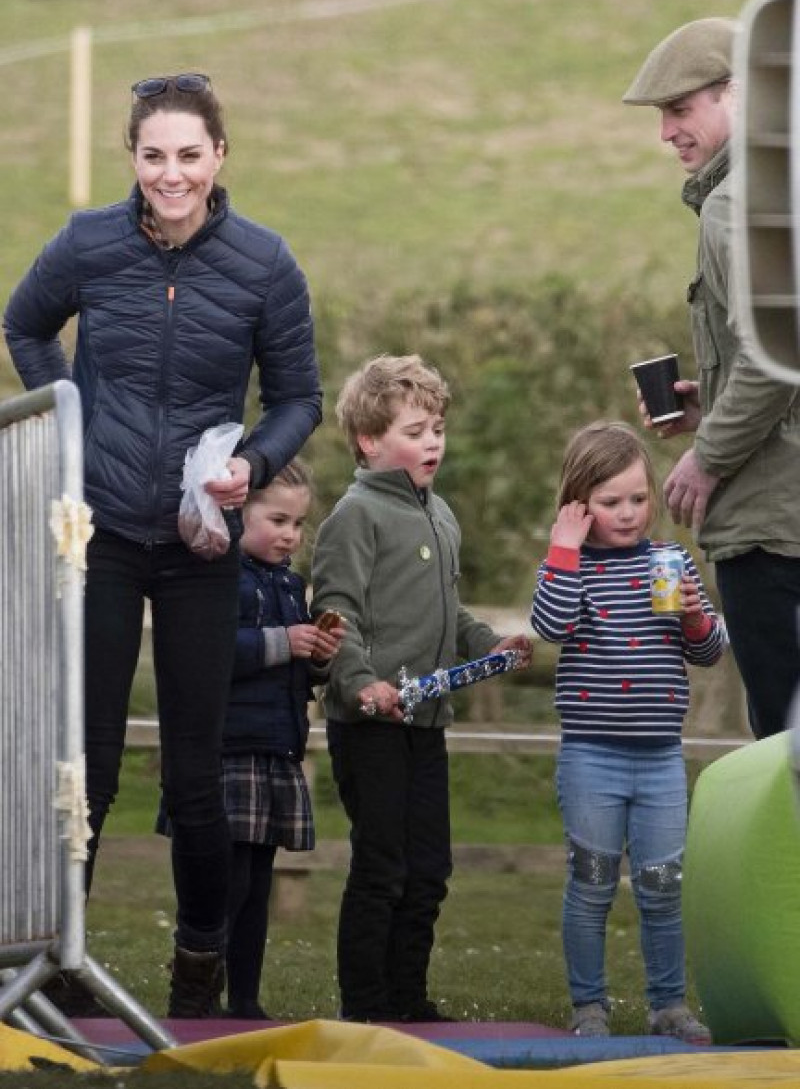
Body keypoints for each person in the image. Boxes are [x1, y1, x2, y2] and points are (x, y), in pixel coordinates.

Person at [3, 73, 322, 1016]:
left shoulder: (265, 263)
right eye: (154, 157)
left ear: (220, 156)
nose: (171, 175)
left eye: (189, 155)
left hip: (202, 541)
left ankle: (199, 964)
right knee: (87, 763)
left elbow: (300, 395)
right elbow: (25, 324)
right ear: (133, 160)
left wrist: (252, 467)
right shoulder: (87, 242)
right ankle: (62, 960)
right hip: (95, 532)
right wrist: (72, 427)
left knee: (195, 772)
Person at [310, 354, 532, 1023]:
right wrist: (359, 683)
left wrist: (489, 645)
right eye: (414, 430)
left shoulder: (443, 517)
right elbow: (334, 612)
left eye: (437, 427)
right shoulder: (356, 516)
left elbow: (450, 612)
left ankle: (409, 1004)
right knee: (382, 869)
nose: (432, 441)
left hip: (428, 724)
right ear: (369, 441)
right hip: (371, 724)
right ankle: (366, 1009)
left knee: (429, 870)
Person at [623, 18, 800, 740]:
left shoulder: (734, 208)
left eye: (680, 109)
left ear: (736, 96)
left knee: (784, 752)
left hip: (770, 527)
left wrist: (709, 455)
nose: (667, 132)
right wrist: (714, 407)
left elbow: (774, 357)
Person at [531, 420, 724, 1043]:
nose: (629, 513)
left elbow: (712, 650)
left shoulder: (669, 560)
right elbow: (551, 626)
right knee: (590, 885)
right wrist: (563, 547)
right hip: (591, 756)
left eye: (638, 499)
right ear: (581, 504)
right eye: (611, 502)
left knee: (663, 887)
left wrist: (696, 617)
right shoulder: (570, 566)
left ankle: (668, 1003)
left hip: (661, 759)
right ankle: (589, 1006)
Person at [221, 459, 344, 1020]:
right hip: (230, 748)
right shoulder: (221, 577)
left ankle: (245, 999)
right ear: (238, 513)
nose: (290, 535)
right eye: (277, 520)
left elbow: (292, 665)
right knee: (228, 881)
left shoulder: (292, 585)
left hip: (276, 747)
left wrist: (316, 656)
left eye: (298, 524)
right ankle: (199, 991)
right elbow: (213, 652)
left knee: (259, 884)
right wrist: (281, 643)